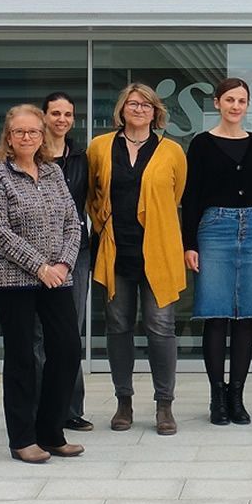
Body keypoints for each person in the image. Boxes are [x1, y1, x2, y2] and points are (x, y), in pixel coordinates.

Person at [0, 104, 83, 463]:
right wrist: (40, 267)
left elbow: (73, 222)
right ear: (8, 137)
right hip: (13, 280)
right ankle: (23, 439)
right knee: (22, 357)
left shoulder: (53, 172)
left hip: (58, 277)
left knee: (67, 350)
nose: (27, 137)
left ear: (42, 136)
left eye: (33, 132)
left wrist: (63, 264)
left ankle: (51, 432)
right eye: (19, 132)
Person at [87, 84, 187, 436]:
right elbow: (92, 194)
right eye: (132, 103)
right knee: (118, 327)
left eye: (146, 104)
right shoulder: (99, 147)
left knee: (161, 328)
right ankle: (123, 401)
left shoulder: (172, 151)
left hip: (158, 251)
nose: (139, 109)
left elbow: (176, 195)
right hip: (116, 251)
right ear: (122, 108)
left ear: (156, 111)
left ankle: (164, 404)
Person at [182, 78, 252, 426]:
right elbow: (191, 196)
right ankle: (217, 397)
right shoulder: (201, 144)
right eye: (229, 100)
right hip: (214, 228)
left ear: (247, 105)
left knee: (246, 316)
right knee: (216, 313)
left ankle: (236, 397)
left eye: (241, 100)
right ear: (217, 103)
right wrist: (189, 243)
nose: (235, 106)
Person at [38, 92, 92, 432]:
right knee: (38, 334)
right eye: (55, 113)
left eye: (67, 114)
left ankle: (70, 408)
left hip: (76, 253)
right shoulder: (32, 155)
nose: (61, 119)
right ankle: (40, 406)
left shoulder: (83, 158)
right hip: (36, 254)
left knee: (70, 332)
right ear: (44, 116)